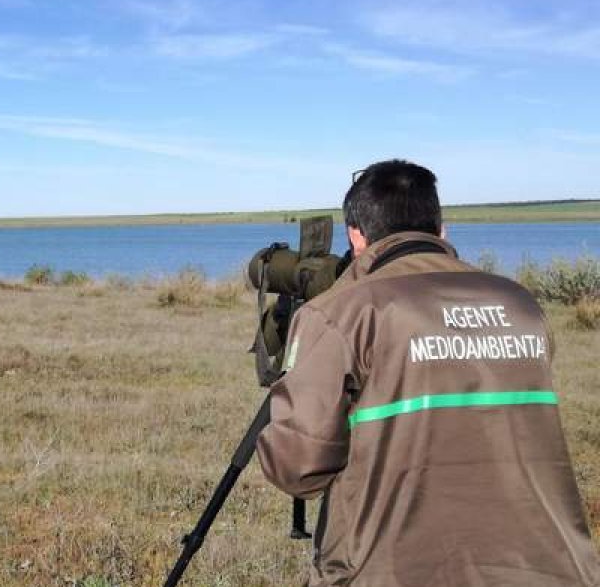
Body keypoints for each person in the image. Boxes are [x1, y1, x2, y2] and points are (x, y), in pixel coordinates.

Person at [256, 159, 599, 586]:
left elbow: (299, 468)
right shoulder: (521, 305)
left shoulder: (341, 314)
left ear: (355, 235)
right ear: (442, 230)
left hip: (391, 570)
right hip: (550, 566)